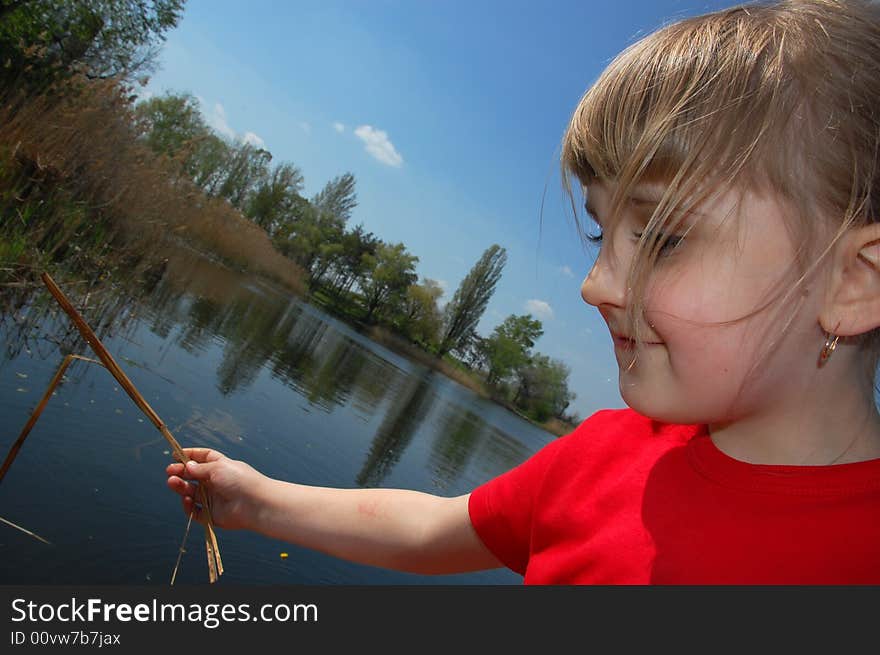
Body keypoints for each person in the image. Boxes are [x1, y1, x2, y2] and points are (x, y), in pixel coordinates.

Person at [166, 0, 880, 584]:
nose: (596, 285)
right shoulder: (603, 455)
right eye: (602, 236)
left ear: (855, 280)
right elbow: (432, 532)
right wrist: (258, 502)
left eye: (664, 237)